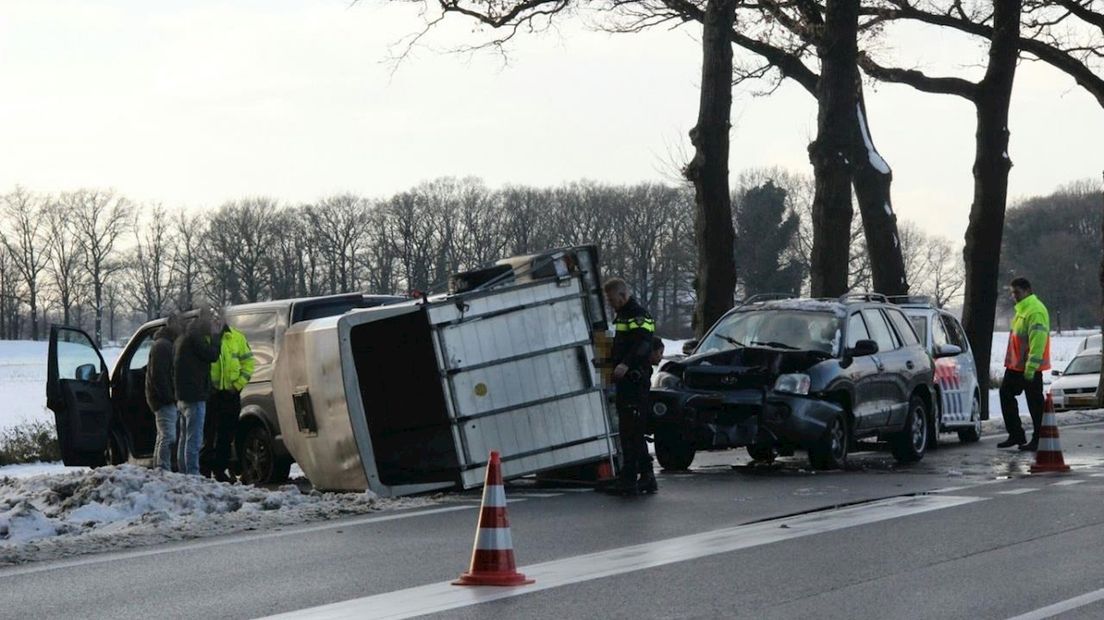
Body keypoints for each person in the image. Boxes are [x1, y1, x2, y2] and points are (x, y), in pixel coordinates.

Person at [601, 278, 658, 496]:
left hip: (635, 380)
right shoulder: (624, 315)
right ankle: (644, 476)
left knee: (631, 430)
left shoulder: (638, 314)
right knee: (631, 430)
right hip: (627, 382)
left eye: (612, 299)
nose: (610, 303)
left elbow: (644, 343)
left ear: (623, 295)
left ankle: (631, 478)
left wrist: (626, 363)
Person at [998, 277, 1051, 451]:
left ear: (1027, 290)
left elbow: (1038, 342)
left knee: (1035, 404)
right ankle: (1016, 434)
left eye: (1017, 292)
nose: (1014, 296)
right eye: (1013, 293)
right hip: (1016, 366)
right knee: (1006, 394)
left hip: (1029, 368)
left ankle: (1039, 438)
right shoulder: (1023, 310)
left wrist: (1031, 368)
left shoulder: (1034, 311)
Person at [202, 312, 254, 483]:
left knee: (226, 435)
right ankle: (205, 470)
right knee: (208, 435)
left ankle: (219, 469)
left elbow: (248, 364)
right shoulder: (206, 338)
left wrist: (237, 385)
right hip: (212, 395)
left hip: (230, 395)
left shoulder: (237, 338)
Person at [174, 307, 221, 475]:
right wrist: (216, 336)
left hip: (182, 396)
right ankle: (193, 475)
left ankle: (183, 471)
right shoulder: (195, 338)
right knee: (193, 439)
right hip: (195, 395)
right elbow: (212, 355)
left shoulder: (182, 338)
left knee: (184, 438)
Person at [146, 315, 180, 471]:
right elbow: (159, 375)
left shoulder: (164, 344)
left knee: (162, 435)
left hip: (161, 398)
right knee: (168, 436)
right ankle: (162, 468)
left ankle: (159, 468)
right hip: (163, 399)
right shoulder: (163, 346)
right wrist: (170, 397)